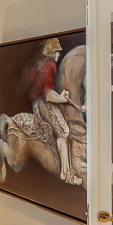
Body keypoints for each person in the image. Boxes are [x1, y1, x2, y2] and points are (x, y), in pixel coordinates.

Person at [30, 38, 83, 185]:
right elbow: (48, 94)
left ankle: (66, 172)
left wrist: (60, 97)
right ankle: (66, 174)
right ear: (53, 52)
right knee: (64, 131)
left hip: (38, 103)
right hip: (44, 103)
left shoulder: (41, 64)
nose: (59, 54)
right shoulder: (50, 65)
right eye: (58, 51)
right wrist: (61, 99)